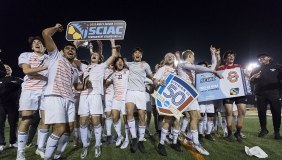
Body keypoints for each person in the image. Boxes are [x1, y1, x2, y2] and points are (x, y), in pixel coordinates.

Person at [41, 23, 89, 160]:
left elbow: (75, 86)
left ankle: (57, 156)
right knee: (60, 128)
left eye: (73, 49)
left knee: (69, 128)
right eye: (67, 48)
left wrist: (85, 85)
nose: (70, 50)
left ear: (76, 54)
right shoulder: (56, 57)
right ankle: (47, 158)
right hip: (55, 96)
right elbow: (45, 33)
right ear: (62, 51)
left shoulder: (74, 69)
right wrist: (56, 28)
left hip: (68, 99)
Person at [177, 47, 223, 156]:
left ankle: (188, 138)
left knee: (198, 117)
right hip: (186, 93)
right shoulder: (183, 64)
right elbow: (203, 68)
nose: (194, 59)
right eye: (193, 57)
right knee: (194, 117)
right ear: (189, 56)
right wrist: (212, 68)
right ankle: (195, 143)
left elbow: (211, 69)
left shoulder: (189, 68)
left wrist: (213, 56)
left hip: (191, 93)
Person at [78, 39, 118, 158]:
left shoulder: (102, 67)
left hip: (95, 95)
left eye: (96, 55)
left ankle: (97, 145)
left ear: (100, 59)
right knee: (83, 122)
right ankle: (85, 145)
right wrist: (77, 43)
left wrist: (112, 42)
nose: (94, 56)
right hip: (84, 96)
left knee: (96, 122)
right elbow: (73, 59)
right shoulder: (84, 66)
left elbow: (114, 55)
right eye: (93, 55)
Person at [16, 36, 49, 160]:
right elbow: (27, 70)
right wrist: (45, 68)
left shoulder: (49, 57)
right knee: (26, 120)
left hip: (46, 90)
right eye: (34, 43)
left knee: (46, 121)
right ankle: (20, 151)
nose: (36, 43)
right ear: (31, 47)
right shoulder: (25, 55)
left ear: (44, 47)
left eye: (39, 42)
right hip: (30, 90)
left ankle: (40, 147)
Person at [125, 47, 154, 153]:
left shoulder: (145, 65)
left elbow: (151, 76)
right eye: (135, 53)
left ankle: (141, 140)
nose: (137, 54)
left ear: (141, 55)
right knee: (129, 112)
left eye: (139, 53)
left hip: (141, 92)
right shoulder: (129, 64)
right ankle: (134, 138)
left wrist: (157, 81)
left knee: (142, 116)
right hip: (130, 91)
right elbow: (118, 60)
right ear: (133, 55)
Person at [154, 52, 182, 156]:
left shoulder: (176, 70)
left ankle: (174, 142)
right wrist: (158, 82)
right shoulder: (162, 69)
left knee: (177, 120)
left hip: (177, 99)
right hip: (167, 97)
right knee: (168, 119)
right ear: (165, 59)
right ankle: (161, 144)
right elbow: (155, 79)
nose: (170, 57)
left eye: (172, 56)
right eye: (167, 56)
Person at [217, 50, 249, 143]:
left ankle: (238, 133)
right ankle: (230, 132)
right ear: (225, 58)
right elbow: (216, 69)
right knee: (229, 111)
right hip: (227, 92)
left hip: (239, 92)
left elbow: (245, 77)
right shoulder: (222, 68)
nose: (231, 57)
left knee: (242, 111)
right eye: (229, 56)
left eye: (232, 56)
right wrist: (217, 55)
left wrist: (247, 75)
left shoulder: (239, 66)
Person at [250, 53, 282, 139]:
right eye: (259, 58)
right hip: (260, 94)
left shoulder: (277, 67)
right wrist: (253, 77)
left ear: (269, 58)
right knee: (261, 112)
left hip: (274, 93)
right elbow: (251, 80)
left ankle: (276, 131)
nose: (261, 59)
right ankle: (263, 129)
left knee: (276, 112)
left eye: (263, 57)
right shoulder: (256, 69)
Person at [105, 56, 130, 149]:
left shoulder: (127, 72)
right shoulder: (113, 74)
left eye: (121, 61)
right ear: (115, 64)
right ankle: (120, 136)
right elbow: (105, 82)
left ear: (123, 63)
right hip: (116, 98)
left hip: (125, 98)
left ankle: (127, 138)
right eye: (118, 61)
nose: (120, 62)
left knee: (126, 119)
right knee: (114, 117)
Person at [0, 64, 23, 151]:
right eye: (5, 68)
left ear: (11, 70)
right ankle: (1, 143)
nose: (7, 69)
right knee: (0, 124)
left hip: (13, 105)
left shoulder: (17, 79)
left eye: (9, 68)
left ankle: (13, 142)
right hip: (1, 105)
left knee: (13, 124)